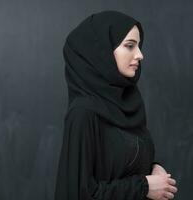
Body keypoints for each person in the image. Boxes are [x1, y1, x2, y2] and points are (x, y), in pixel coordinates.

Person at [54, 10, 178, 200]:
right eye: (130, 46)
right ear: (101, 52)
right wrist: (143, 187)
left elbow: (123, 162)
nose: (140, 55)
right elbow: (78, 194)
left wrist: (154, 167)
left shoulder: (129, 105)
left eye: (139, 46)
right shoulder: (84, 113)